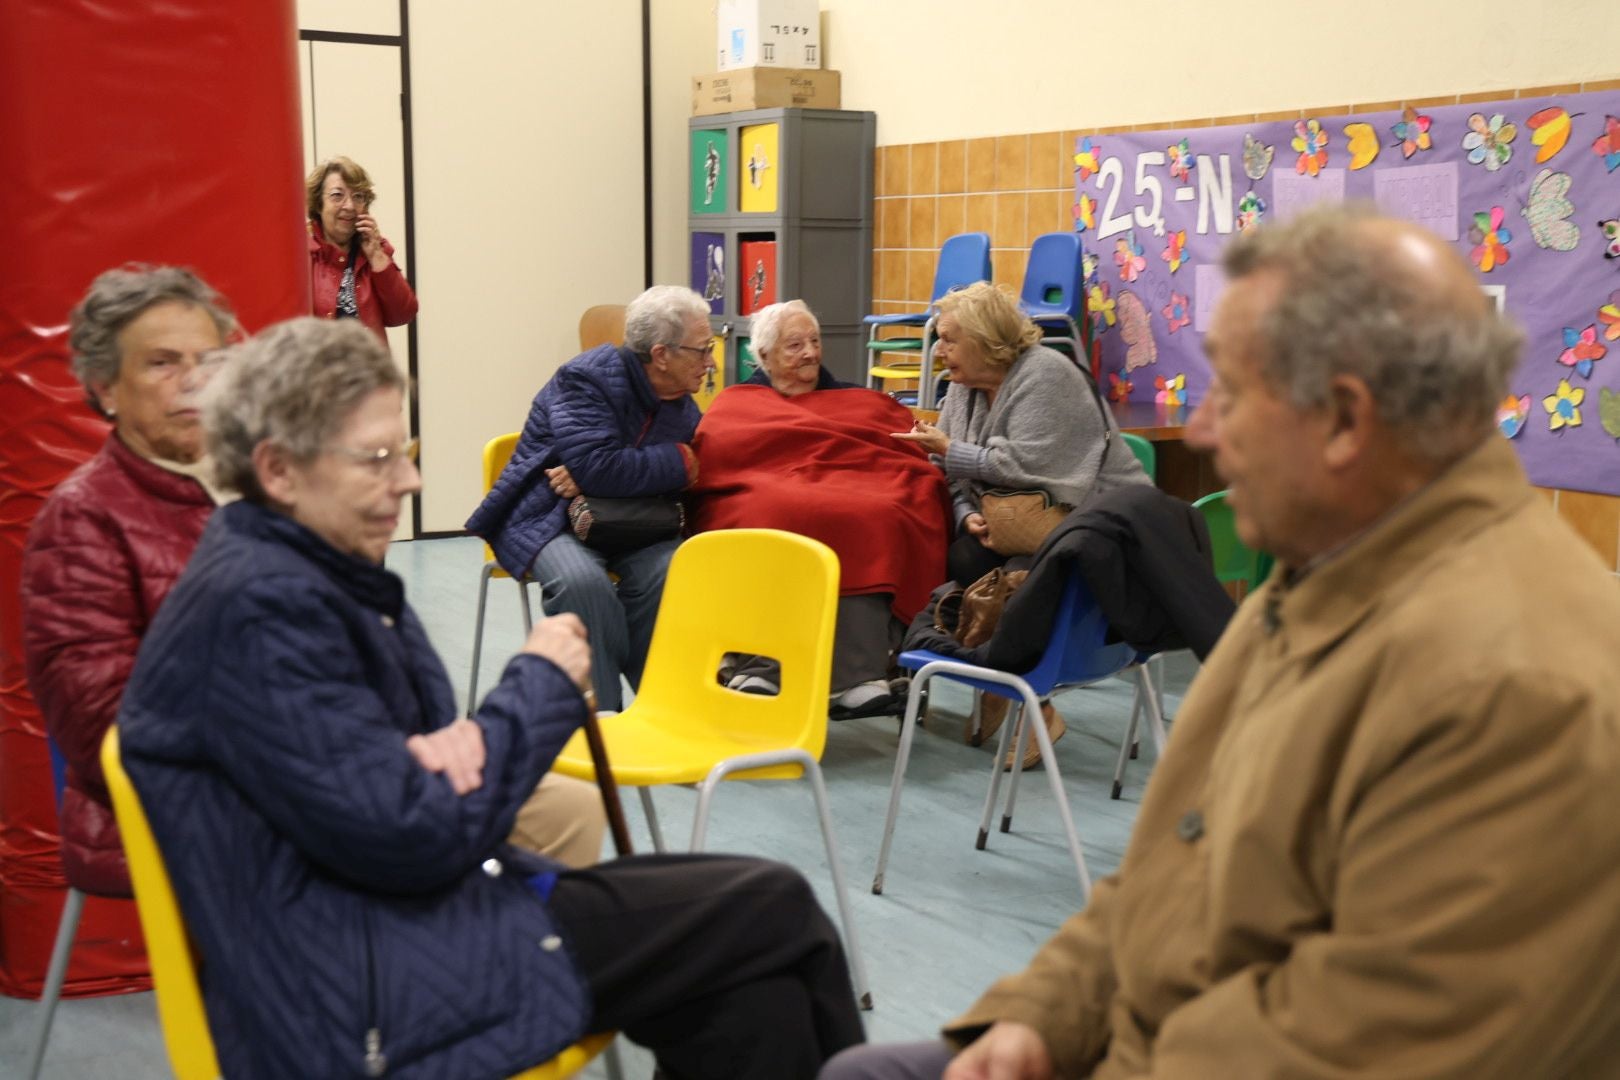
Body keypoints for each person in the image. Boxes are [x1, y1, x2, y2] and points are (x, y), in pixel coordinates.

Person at [823, 204, 1620, 1079]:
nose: (1201, 434)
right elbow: (1175, 865)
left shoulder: (1517, 689)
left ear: (1347, 422)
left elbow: (1358, 1044)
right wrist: (1037, 1018)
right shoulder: (1325, 578)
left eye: (1232, 396)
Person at [116, 318, 863, 1080]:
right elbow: (419, 831)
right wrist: (536, 684)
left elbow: (416, 786)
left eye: (402, 456)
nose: (408, 483)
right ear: (277, 469)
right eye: (377, 460)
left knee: (751, 985)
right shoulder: (263, 611)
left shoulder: (315, 573)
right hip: (361, 983)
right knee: (773, 911)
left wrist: (444, 759)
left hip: (399, 917)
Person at [21, 265, 234, 899]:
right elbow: (102, 726)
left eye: (208, 360)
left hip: (317, 775)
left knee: (522, 814)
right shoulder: (81, 518)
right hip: (187, 812)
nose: (194, 380)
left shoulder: (262, 486)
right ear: (104, 385)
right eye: (162, 363)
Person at [893, 282, 1150, 761]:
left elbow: (1028, 468)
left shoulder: (1047, 375)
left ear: (986, 338)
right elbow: (952, 473)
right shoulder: (964, 390)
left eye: (949, 338)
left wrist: (949, 450)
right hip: (1016, 521)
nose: (939, 349)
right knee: (962, 552)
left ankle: (1034, 702)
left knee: (1024, 571)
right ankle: (1001, 679)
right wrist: (968, 513)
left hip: (1094, 523)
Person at [695, 300, 949, 719]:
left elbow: (900, 452)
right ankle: (764, 665)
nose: (810, 353)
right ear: (763, 357)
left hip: (852, 487)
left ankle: (859, 675)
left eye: (814, 341)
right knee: (773, 514)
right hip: (768, 492)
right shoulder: (737, 403)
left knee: (877, 515)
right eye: (794, 345)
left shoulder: (857, 399)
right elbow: (719, 461)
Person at [466, 285, 712, 712]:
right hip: (549, 515)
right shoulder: (585, 378)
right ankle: (604, 719)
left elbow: (603, 470)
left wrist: (604, 473)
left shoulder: (683, 404)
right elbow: (602, 466)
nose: (710, 362)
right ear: (661, 355)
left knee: (674, 571)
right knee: (583, 585)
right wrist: (676, 459)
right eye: (702, 349)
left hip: (635, 520)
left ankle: (662, 707)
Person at [306, 155, 419, 341]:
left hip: (368, 368)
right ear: (319, 204)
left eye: (358, 197)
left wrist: (377, 257)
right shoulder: (304, 253)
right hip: (318, 369)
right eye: (337, 195)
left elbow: (403, 314)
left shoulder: (375, 250)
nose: (349, 206)